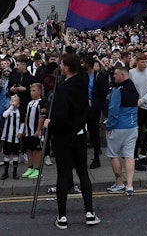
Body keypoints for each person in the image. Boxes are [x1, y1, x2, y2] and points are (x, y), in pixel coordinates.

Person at [46, 52, 99, 229]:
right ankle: (89, 213)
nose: (60, 67)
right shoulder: (83, 81)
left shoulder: (63, 88)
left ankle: (62, 217)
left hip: (64, 137)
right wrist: (70, 49)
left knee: (63, 175)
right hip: (79, 135)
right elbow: (82, 69)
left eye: (62, 64)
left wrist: (49, 124)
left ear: (67, 68)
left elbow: (61, 117)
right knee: (83, 173)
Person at [104, 64, 138, 196]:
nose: (113, 76)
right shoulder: (134, 89)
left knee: (114, 155)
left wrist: (109, 125)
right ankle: (129, 186)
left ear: (122, 75)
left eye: (115, 74)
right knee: (129, 156)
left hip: (118, 127)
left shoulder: (118, 90)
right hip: (132, 126)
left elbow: (113, 110)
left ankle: (119, 184)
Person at [128, 52, 147, 170]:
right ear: (137, 62)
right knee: (137, 133)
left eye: (146, 62)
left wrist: (143, 100)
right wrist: (136, 101)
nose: (144, 64)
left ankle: (142, 154)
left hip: (146, 105)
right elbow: (130, 89)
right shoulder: (131, 73)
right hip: (136, 107)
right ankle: (135, 158)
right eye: (142, 62)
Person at [0, 95, 22, 180]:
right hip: (7, 136)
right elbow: (4, 115)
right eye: (11, 100)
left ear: (18, 104)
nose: (13, 102)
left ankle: (15, 172)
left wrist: (20, 131)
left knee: (15, 154)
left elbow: (22, 123)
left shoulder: (19, 112)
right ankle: (5, 172)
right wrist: (11, 107)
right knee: (7, 154)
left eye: (15, 101)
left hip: (16, 137)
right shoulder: (8, 111)